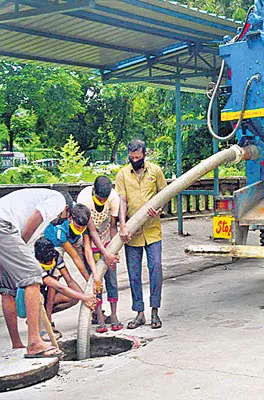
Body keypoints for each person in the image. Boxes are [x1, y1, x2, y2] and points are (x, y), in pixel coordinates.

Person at [0, 189, 73, 357]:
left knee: (7, 288)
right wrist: (20, 243)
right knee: (33, 275)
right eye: (64, 217)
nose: (59, 220)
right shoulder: (58, 199)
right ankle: (34, 343)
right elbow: (37, 215)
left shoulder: (39, 199)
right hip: (0, 224)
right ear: (65, 208)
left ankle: (17, 344)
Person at [115, 138, 167, 329]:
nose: (134, 159)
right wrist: (122, 226)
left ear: (144, 155)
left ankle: (155, 311)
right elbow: (121, 201)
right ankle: (139, 313)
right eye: (131, 156)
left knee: (156, 268)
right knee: (134, 274)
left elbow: (165, 194)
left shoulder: (155, 171)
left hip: (153, 230)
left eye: (137, 157)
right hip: (133, 232)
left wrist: (159, 209)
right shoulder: (122, 175)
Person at [77, 176, 122, 333]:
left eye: (105, 199)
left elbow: (113, 226)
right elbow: (91, 230)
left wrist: (113, 250)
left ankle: (114, 315)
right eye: (99, 199)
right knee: (96, 283)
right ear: (93, 191)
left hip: (109, 242)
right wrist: (104, 252)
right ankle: (100, 316)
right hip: (90, 242)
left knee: (112, 280)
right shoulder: (84, 199)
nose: (102, 202)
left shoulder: (114, 197)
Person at [34, 237, 98, 341]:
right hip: (28, 297)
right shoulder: (33, 264)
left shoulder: (56, 257)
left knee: (73, 297)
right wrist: (84, 297)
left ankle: (44, 319)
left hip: (47, 289)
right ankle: (42, 326)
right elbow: (58, 286)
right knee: (39, 296)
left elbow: (69, 280)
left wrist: (85, 296)